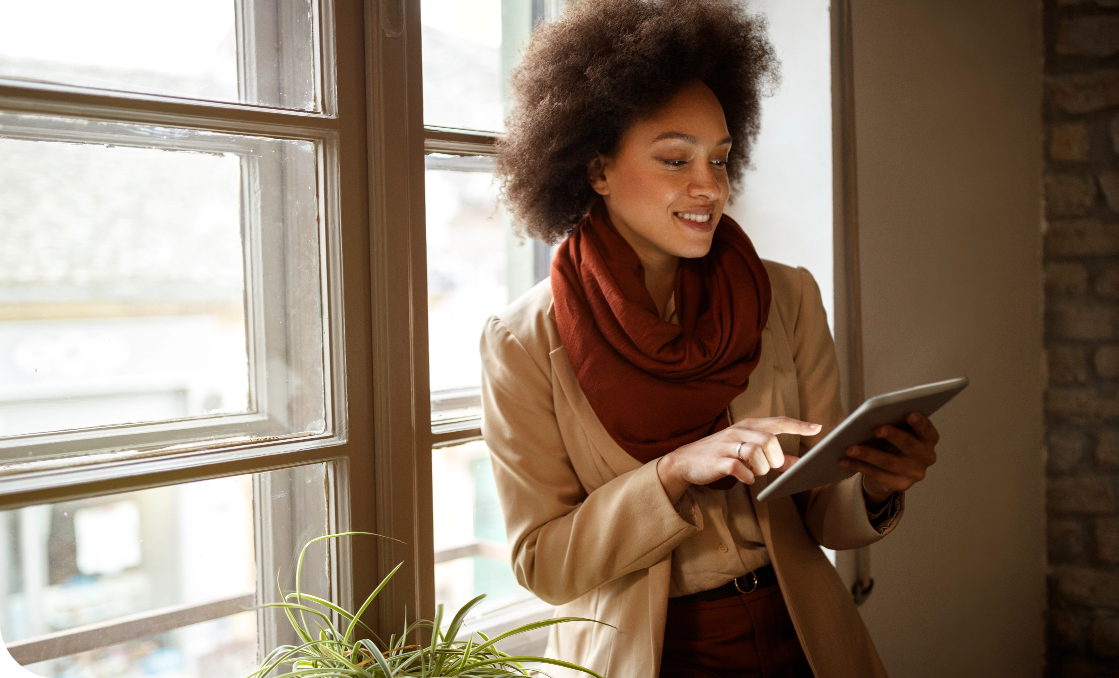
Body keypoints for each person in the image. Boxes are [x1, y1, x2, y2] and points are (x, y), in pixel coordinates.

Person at [480, 1, 939, 676]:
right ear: (595, 169)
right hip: (653, 656)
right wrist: (670, 473)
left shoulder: (785, 298)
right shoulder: (522, 343)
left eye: (720, 160)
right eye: (674, 159)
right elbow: (543, 564)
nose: (709, 186)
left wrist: (874, 485)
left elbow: (820, 512)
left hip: (803, 638)